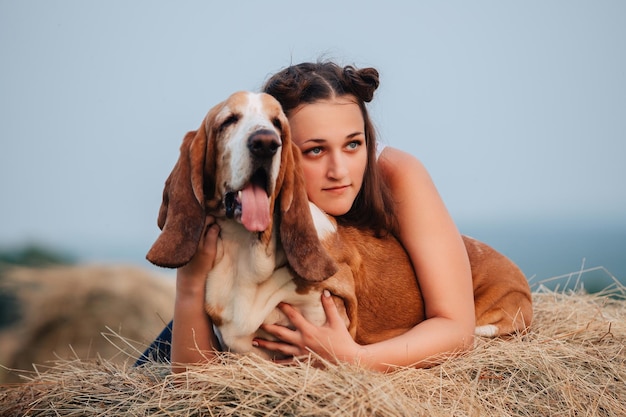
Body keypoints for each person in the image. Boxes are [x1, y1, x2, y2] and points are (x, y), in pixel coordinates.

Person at [140, 61, 475, 373]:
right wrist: (190, 281)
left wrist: (355, 359)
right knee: (140, 383)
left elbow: (457, 328)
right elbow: (196, 386)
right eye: (315, 150)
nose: (339, 171)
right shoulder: (242, 207)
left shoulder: (397, 173)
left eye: (353, 145)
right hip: (243, 294)